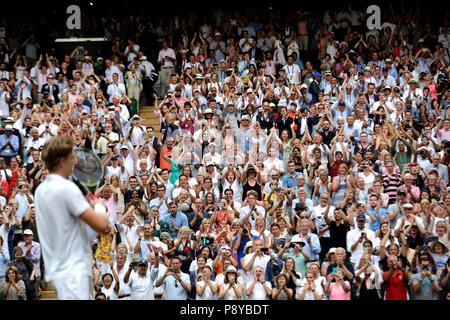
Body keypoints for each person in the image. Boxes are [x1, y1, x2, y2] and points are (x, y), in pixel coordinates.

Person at [34, 135, 109, 300]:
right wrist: (99, 206)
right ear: (61, 161)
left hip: (61, 273)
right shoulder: (66, 188)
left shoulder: (40, 191)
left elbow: (85, 233)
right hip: (73, 273)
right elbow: (101, 225)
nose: (75, 161)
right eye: (72, 157)